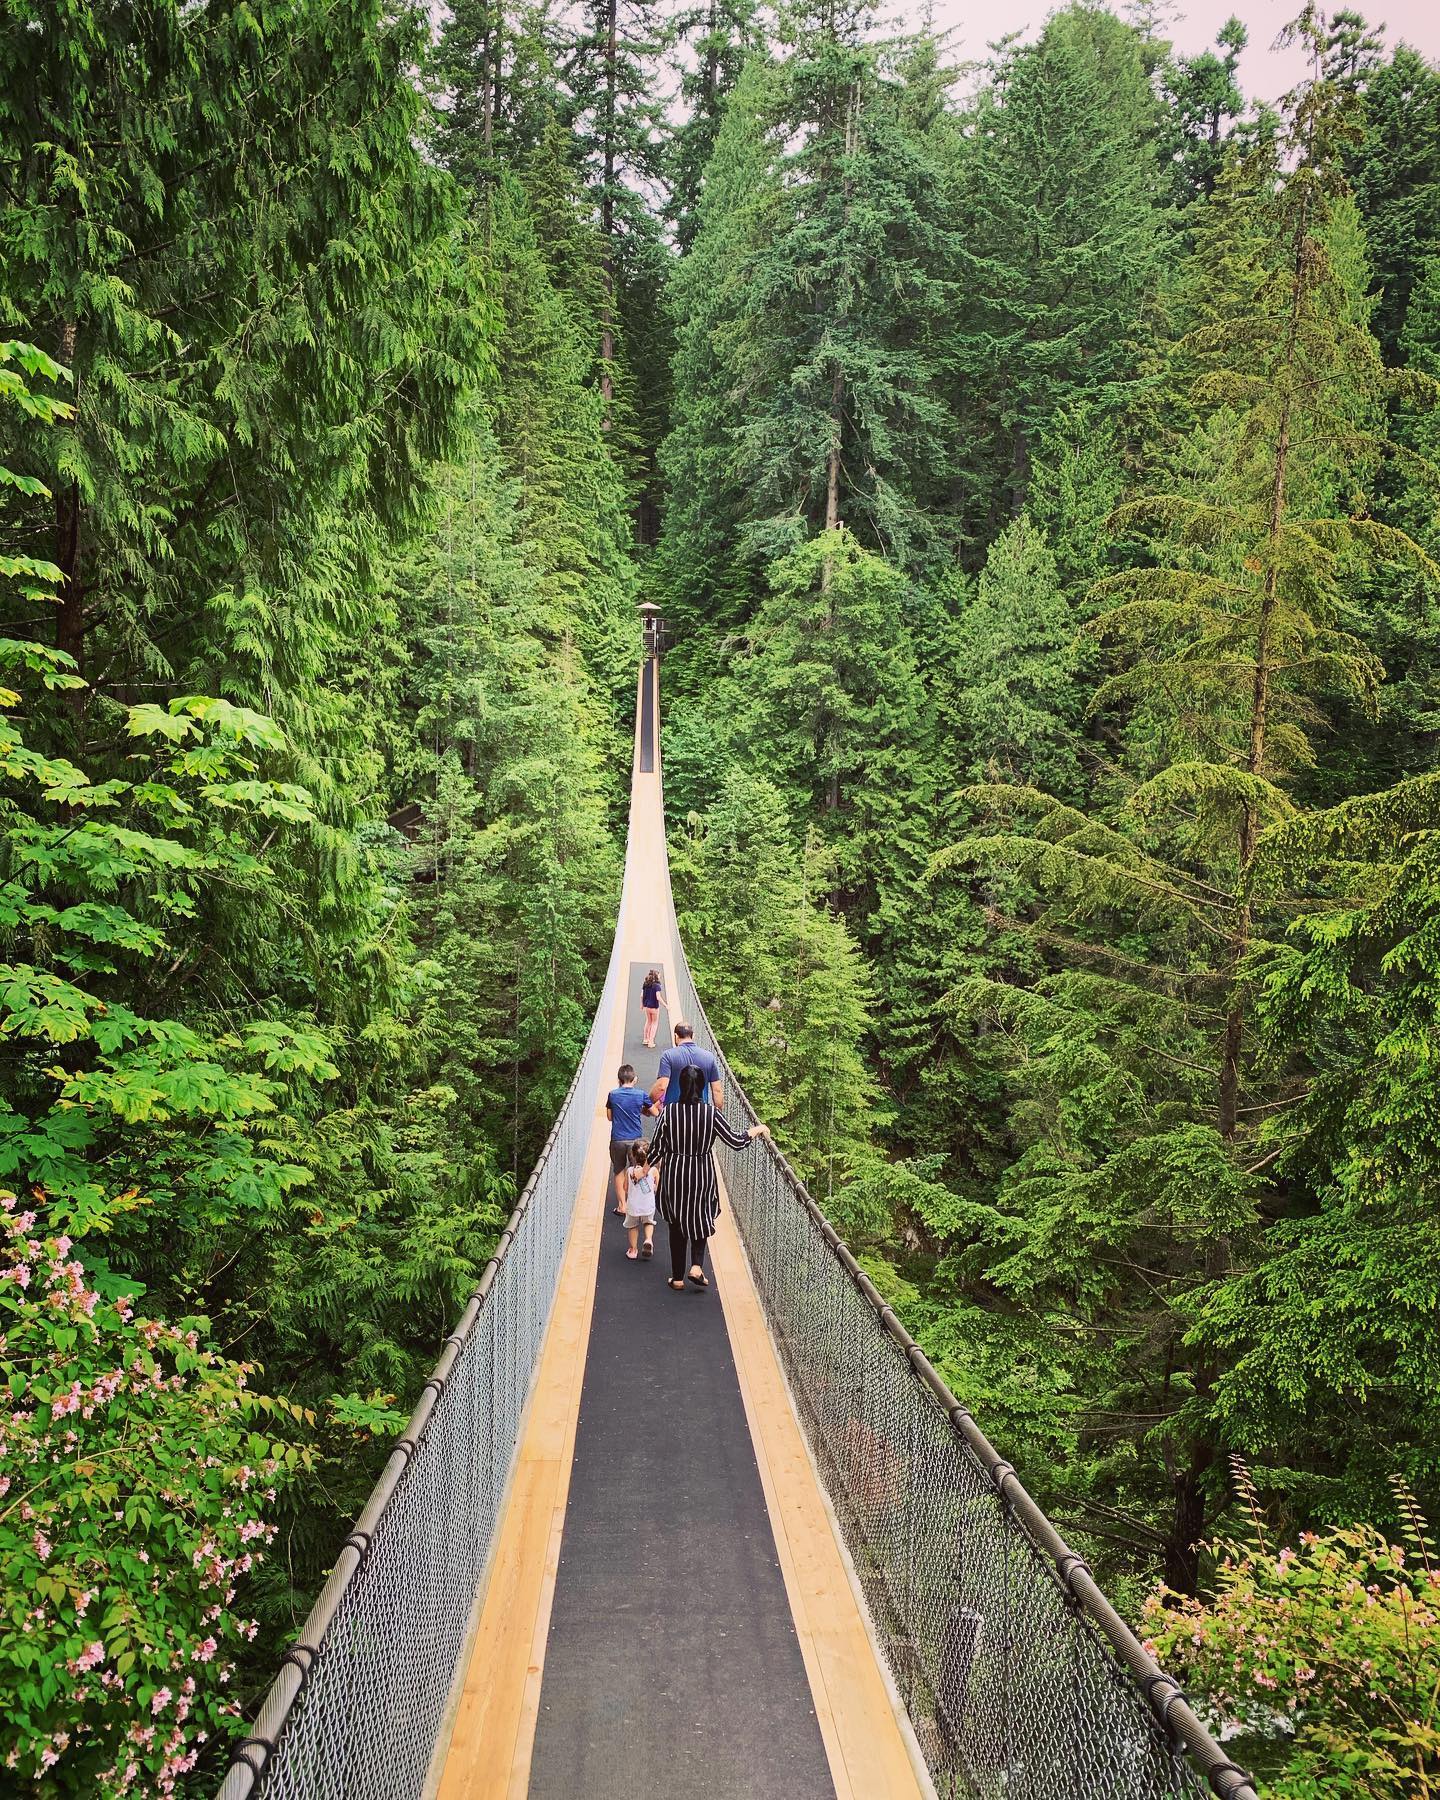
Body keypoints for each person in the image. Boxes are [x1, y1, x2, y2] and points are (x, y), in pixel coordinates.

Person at [647, 1063, 768, 1292]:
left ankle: (677, 1278)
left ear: (680, 1086)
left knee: (676, 1221)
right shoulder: (710, 1113)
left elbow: (656, 1148)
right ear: (702, 1087)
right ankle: (696, 1266)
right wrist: (755, 1130)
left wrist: (644, 1170)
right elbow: (735, 1141)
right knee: (700, 1216)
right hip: (701, 1172)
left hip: (674, 1171)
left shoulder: (669, 1112)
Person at [605, 1063, 650, 1218]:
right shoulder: (641, 1094)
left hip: (617, 1139)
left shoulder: (612, 1095)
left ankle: (622, 1206)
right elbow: (653, 1111)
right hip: (635, 1139)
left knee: (619, 1171)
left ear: (619, 1079)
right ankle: (639, 1203)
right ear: (634, 1079)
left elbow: (610, 1117)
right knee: (638, 1169)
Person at [649, 1021, 723, 1110]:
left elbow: (661, 1086)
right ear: (693, 1036)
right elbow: (717, 1090)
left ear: (676, 1036)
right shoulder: (709, 1057)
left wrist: (648, 1105)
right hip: (700, 1112)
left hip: (673, 1113)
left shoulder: (668, 1056)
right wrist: (715, 1115)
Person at [622, 1140, 657, 1262]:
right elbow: (656, 1186)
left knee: (632, 1226)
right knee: (648, 1222)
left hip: (633, 1206)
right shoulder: (653, 1171)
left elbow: (625, 1188)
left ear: (633, 1155)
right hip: (648, 1205)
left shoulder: (630, 1171)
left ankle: (633, 1250)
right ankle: (648, 1240)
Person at [640, 967, 668, 1049]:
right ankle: (651, 1042)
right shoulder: (657, 986)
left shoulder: (645, 984)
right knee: (654, 1023)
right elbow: (658, 997)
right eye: (659, 975)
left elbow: (641, 995)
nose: (660, 977)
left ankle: (645, 1039)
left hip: (647, 1007)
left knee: (648, 1021)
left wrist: (642, 1005)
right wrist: (666, 1005)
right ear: (656, 976)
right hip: (654, 1007)